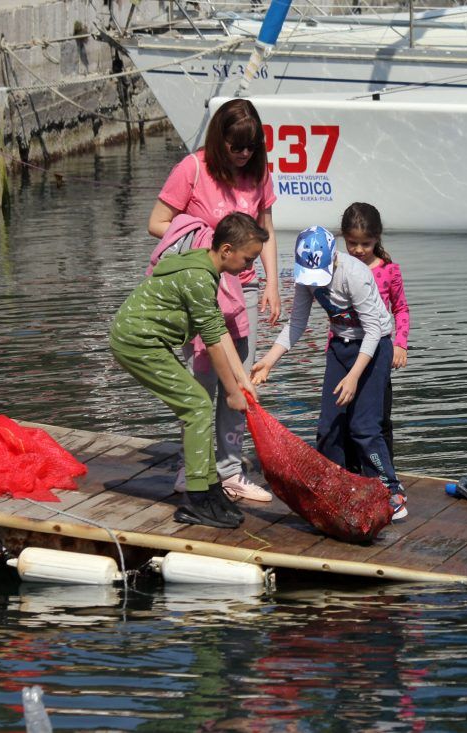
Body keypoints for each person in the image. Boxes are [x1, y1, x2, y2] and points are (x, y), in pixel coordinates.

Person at [147, 98, 281, 502]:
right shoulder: (193, 169)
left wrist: (273, 282)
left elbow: (266, 229)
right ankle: (195, 467)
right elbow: (157, 223)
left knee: (240, 380)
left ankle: (230, 469)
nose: (242, 155)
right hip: (201, 289)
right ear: (219, 142)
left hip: (246, 290)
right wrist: (204, 236)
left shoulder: (258, 173)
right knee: (201, 382)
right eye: (235, 147)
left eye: (250, 147)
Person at [110, 213, 267, 529]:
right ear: (226, 251)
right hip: (136, 342)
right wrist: (233, 393)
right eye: (248, 259)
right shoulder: (199, 278)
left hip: (145, 339)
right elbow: (211, 342)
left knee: (197, 403)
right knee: (196, 406)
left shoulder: (206, 267)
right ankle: (196, 500)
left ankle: (210, 490)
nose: (250, 267)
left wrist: (241, 380)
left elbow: (218, 329)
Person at [251, 226, 407, 521]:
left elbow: (375, 330)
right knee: (329, 427)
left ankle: (392, 492)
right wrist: (269, 360)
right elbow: (297, 323)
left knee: (364, 428)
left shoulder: (354, 274)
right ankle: (341, 489)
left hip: (375, 347)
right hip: (340, 346)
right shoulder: (304, 278)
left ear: (333, 257)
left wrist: (354, 377)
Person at [337, 202, 409, 469]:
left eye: (365, 244)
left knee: (379, 417)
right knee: (344, 414)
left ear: (377, 238)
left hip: (378, 350)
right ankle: (351, 470)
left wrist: (400, 344)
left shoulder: (389, 270)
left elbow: (401, 308)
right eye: (352, 243)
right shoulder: (338, 266)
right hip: (346, 349)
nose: (358, 250)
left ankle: (384, 472)